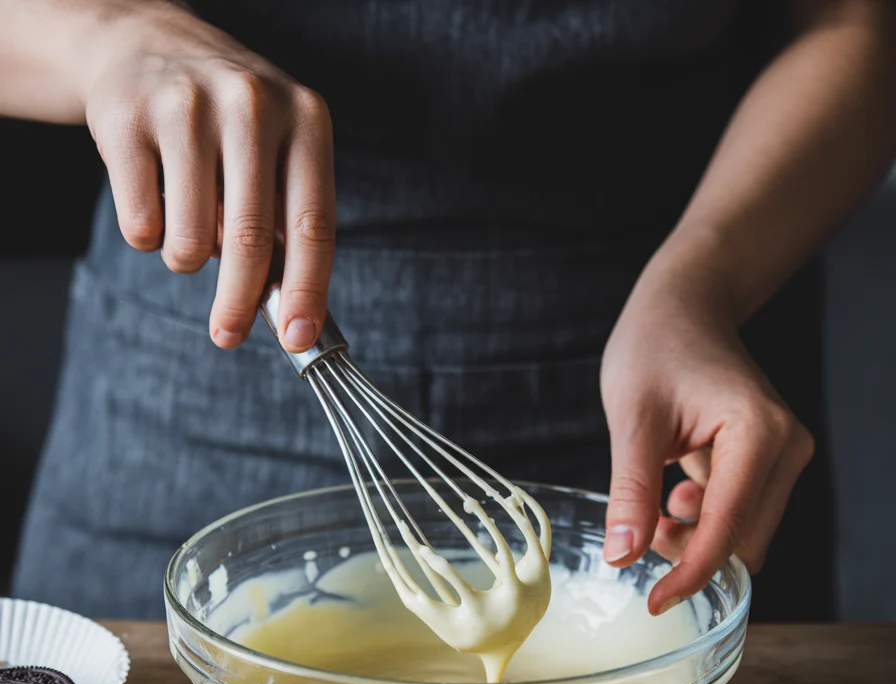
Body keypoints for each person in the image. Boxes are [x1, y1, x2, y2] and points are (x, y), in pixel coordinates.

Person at [3, 0, 895, 620]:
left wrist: (704, 286)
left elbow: (853, 26)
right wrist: (109, 37)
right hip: (190, 391)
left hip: (670, 375)